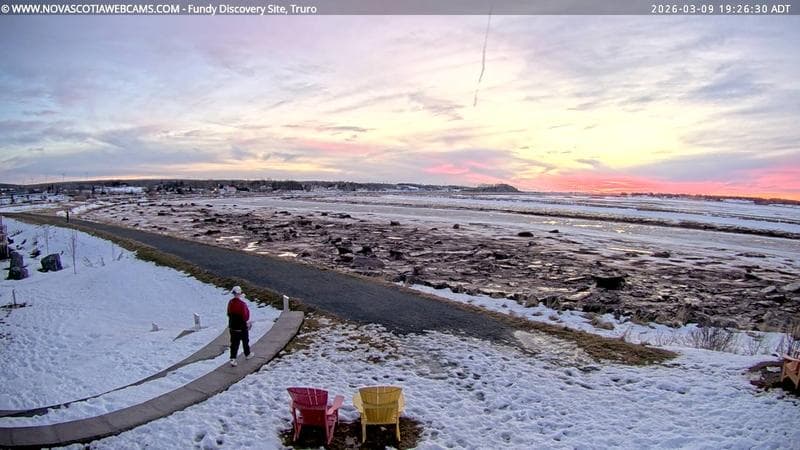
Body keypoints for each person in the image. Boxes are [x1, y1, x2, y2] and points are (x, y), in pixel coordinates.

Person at [227, 286, 253, 366]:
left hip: (232, 327)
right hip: (242, 327)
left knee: (234, 343)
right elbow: (246, 316)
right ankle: (247, 354)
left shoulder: (230, 302)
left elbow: (228, 313)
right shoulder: (242, 304)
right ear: (240, 293)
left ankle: (233, 358)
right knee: (245, 341)